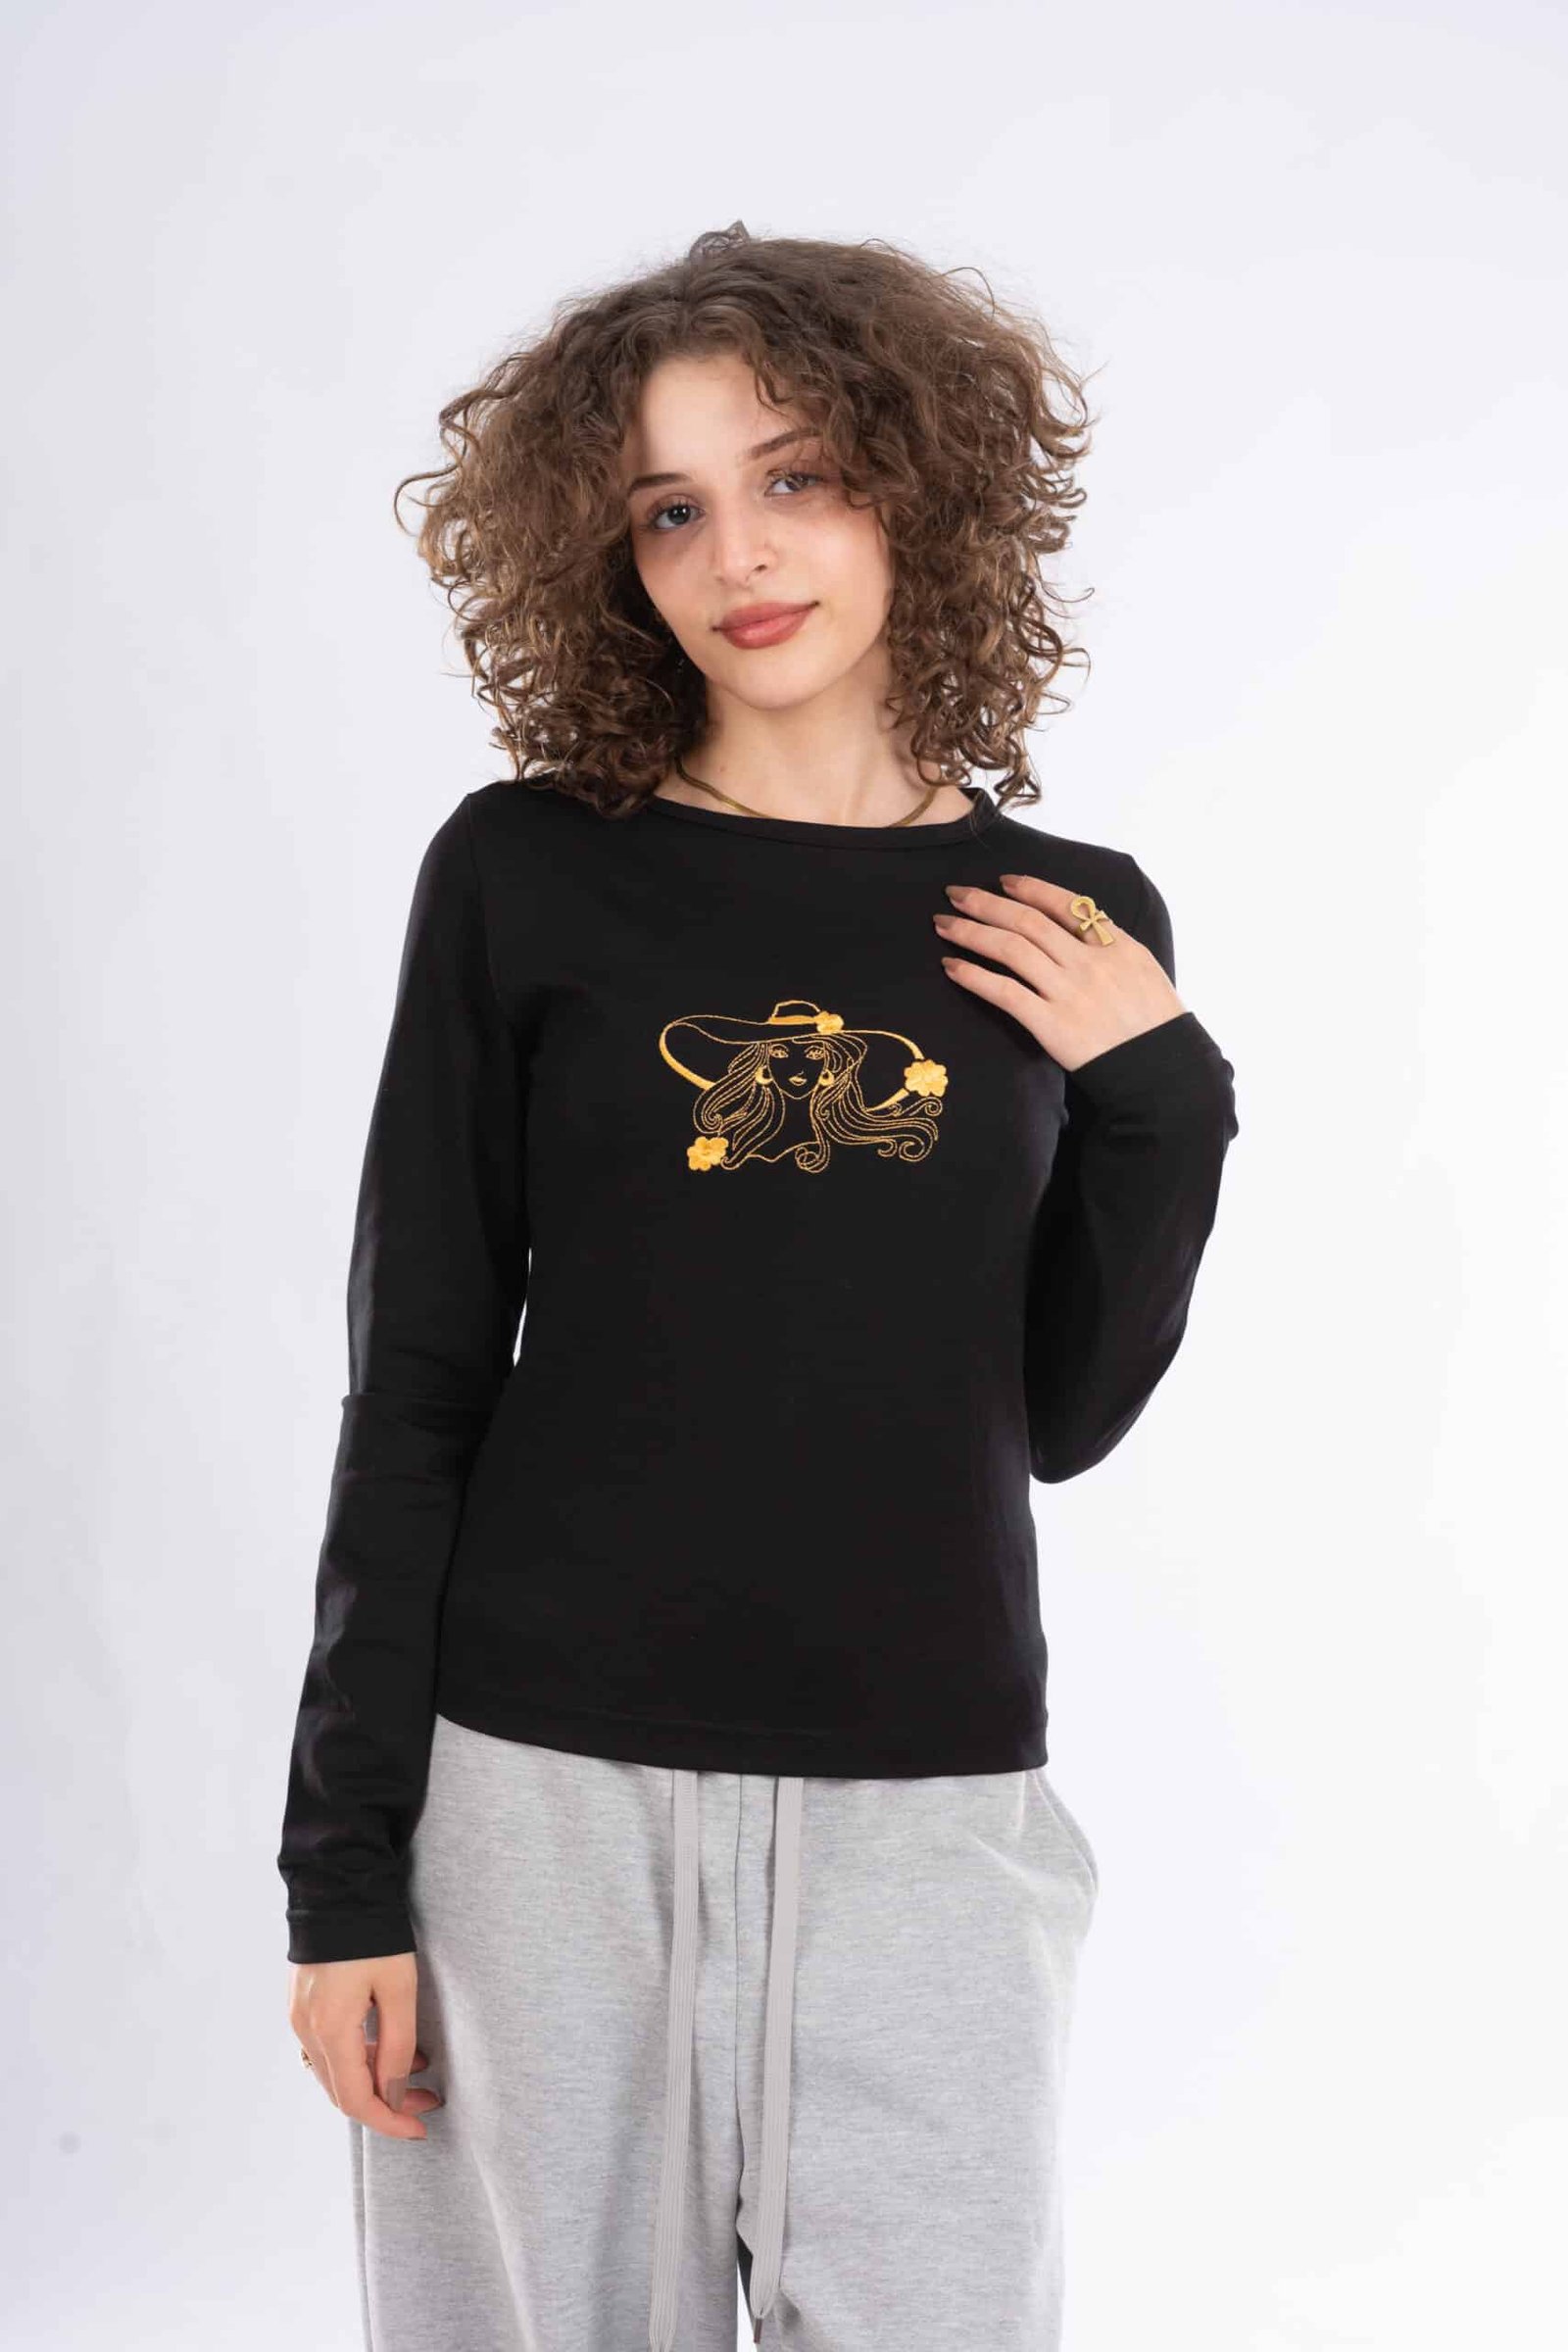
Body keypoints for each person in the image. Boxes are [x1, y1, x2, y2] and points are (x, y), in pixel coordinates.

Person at [277, 221, 1240, 2352]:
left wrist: (1166, 1097)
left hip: (929, 1794)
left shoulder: (1067, 916)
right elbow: (417, 1377)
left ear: (918, 486)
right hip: (536, 1800)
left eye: (796, 475)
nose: (741, 555)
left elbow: (1054, 1417)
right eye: (671, 509)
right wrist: (342, 1877)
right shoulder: (527, 873)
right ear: (608, 557)